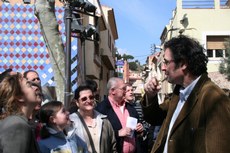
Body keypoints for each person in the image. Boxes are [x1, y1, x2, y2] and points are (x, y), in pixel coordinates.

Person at [141, 35, 230, 153]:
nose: (163, 68)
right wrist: (150, 96)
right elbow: (154, 118)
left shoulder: (214, 98)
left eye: (166, 62)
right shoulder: (179, 93)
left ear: (183, 64)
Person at [96, 77, 144, 153]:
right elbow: (97, 134)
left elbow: (137, 133)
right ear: (113, 91)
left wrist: (139, 129)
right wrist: (118, 133)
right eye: (123, 89)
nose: (125, 91)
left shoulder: (131, 108)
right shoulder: (101, 110)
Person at [67, 84, 117, 153]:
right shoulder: (70, 122)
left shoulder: (104, 121)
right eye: (84, 99)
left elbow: (113, 147)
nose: (89, 100)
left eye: (91, 97)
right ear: (77, 102)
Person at [0, 72, 42, 153]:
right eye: (29, 85)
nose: (36, 88)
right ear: (19, 97)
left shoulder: (17, 122)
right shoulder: (17, 125)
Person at [125, 83, 149, 153]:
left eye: (132, 90)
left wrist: (142, 129)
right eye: (128, 90)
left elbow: (146, 122)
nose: (131, 92)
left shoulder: (139, 106)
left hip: (138, 142)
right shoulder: (119, 108)